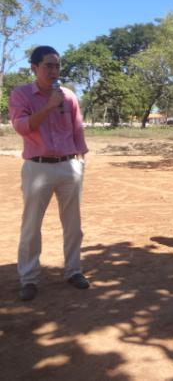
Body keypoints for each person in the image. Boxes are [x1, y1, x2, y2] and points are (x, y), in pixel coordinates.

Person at [9, 45, 90, 301]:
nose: (54, 70)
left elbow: (77, 128)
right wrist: (47, 106)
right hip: (37, 167)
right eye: (48, 65)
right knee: (31, 225)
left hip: (68, 166)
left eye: (57, 65)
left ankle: (73, 271)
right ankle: (29, 278)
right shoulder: (21, 95)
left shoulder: (69, 96)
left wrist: (80, 160)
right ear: (34, 67)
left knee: (73, 225)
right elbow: (22, 127)